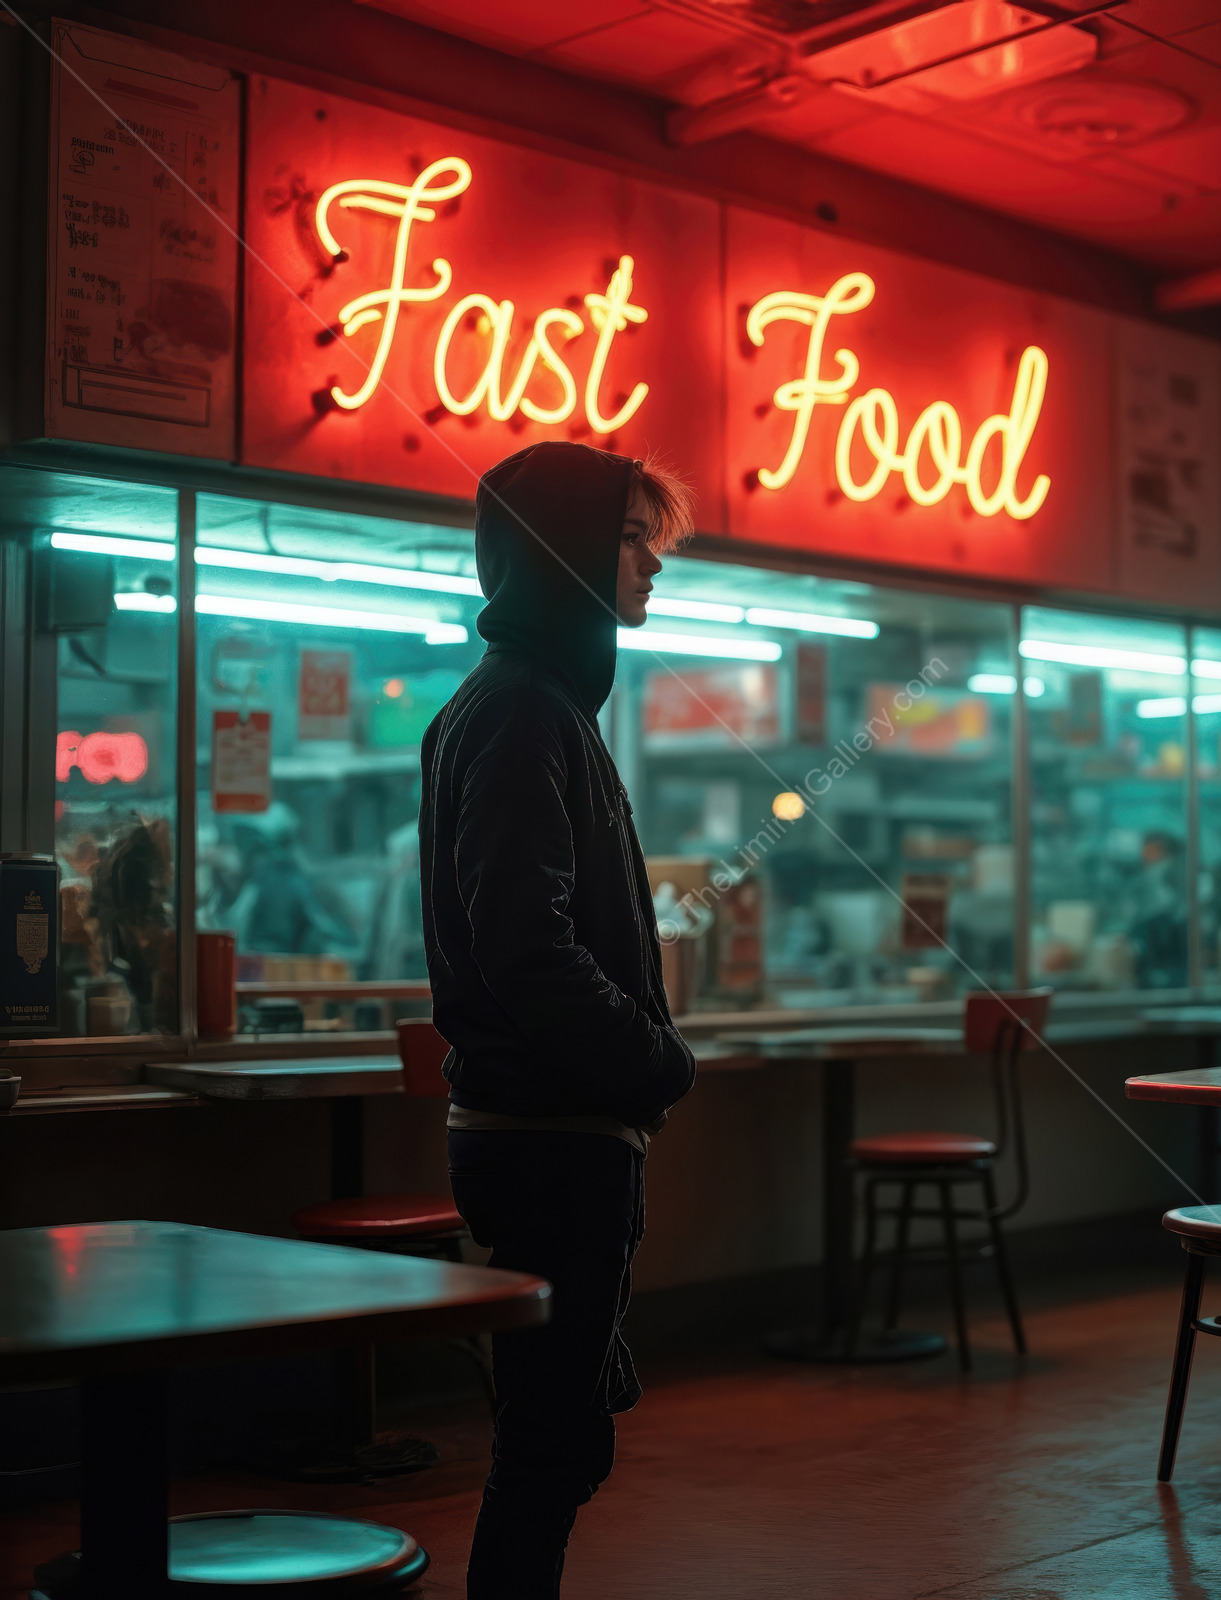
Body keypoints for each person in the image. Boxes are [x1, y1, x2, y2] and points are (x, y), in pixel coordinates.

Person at [419, 441, 698, 1598]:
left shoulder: (528, 706)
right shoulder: (527, 715)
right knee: (549, 1446)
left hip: (543, 1131)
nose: (653, 568)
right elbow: (525, 947)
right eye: (636, 540)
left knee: (560, 1437)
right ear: (571, 553)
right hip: (553, 1141)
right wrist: (654, 1063)